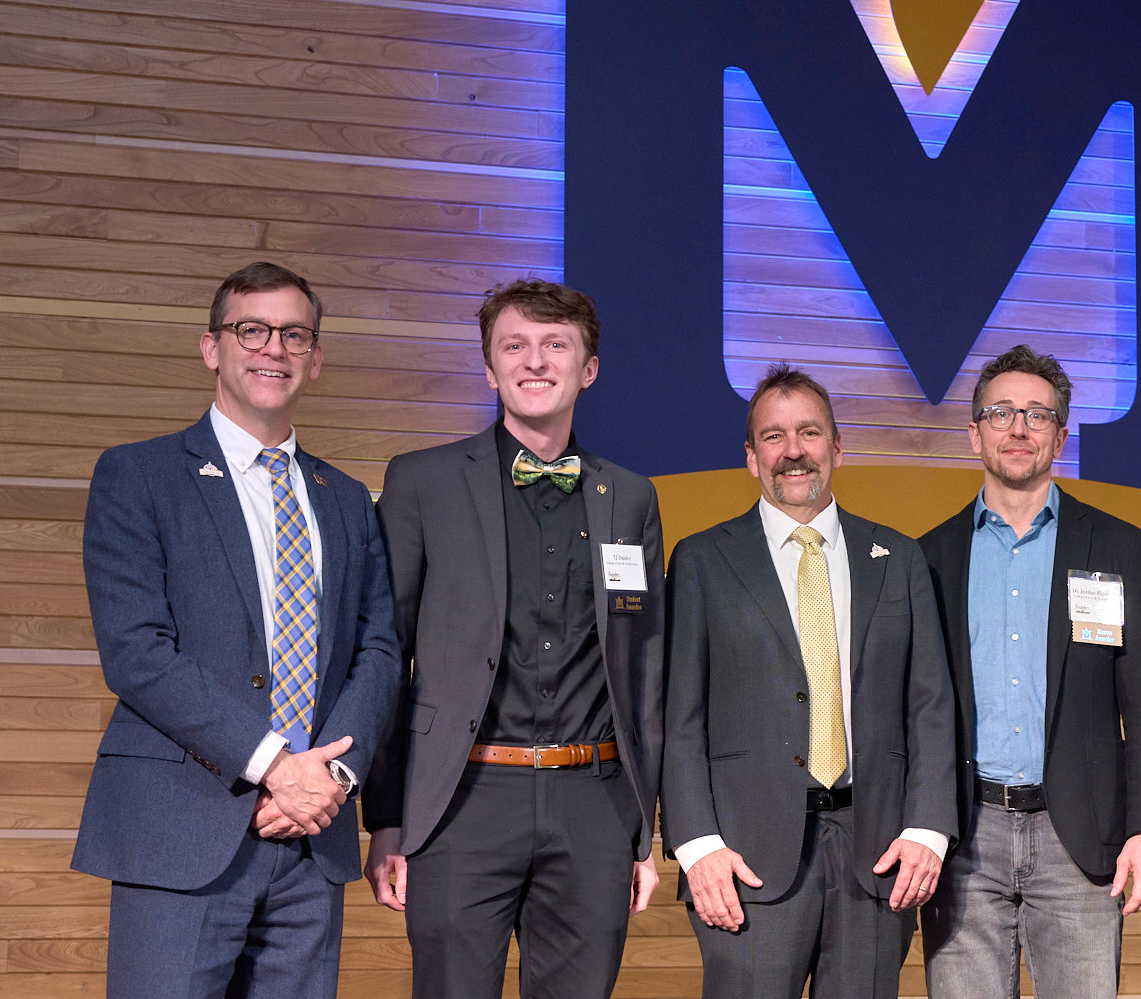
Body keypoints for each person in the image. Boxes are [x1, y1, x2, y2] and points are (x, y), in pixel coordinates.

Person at [73, 261, 401, 998]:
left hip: (312, 838)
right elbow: (136, 652)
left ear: (314, 357)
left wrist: (330, 779)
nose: (273, 348)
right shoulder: (139, 475)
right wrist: (276, 765)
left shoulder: (347, 498)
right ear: (211, 348)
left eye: (293, 334)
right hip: (182, 830)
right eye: (251, 330)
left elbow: (378, 650)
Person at [362, 279, 664, 999]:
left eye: (556, 345)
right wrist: (387, 818)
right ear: (490, 366)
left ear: (589, 369)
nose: (535, 361)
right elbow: (383, 654)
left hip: (594, 804)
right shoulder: (422, 481)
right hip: (460, 800)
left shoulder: (630, 496)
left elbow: (645, 671)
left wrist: (642, 830)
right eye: (515, 345)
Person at [660, 363, 957, 999]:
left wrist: (928, 830)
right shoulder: (701, 560)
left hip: (878, 857)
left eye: (809, 432)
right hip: (743, 862)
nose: (792, 450)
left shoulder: (899, 559)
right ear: (751, 457)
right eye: (773, 436)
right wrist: (696, 844)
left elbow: (930, 706)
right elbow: (678, 718)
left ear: (837, 448)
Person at [918, 345, 1141, 998]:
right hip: (964, 839)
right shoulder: (927, 557)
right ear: (974, 432)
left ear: (1060, 437)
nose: (1018, 428)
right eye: (1001, 413)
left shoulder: (1117, 546)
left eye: (1037, 415)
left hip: (1080, 838)